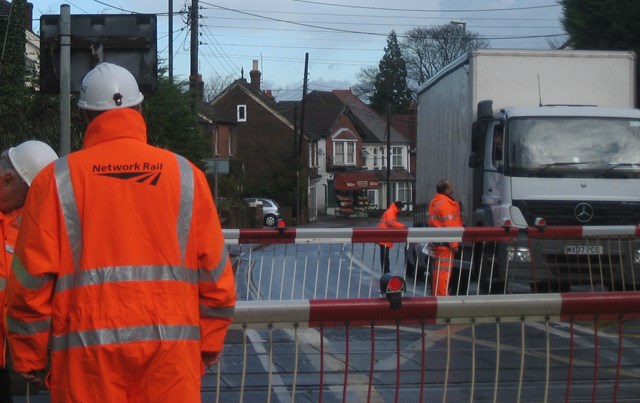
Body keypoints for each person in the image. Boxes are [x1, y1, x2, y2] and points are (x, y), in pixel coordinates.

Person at [6, 62, 237, 402]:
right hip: (170, 360)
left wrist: (30, 357)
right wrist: (208, 343)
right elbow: (217, 281)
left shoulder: (55, 182)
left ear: (84, 115)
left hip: (85, 363)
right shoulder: (186, 176)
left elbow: (30, 284)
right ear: (140, 110)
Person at [0, 140, 58, 402]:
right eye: (27, 196)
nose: (28, 204)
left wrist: (28, 350)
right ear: (7, 180)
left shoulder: (19, 223)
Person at [428, 179, 464, 296]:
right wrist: (454, 244)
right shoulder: (444, 204)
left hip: (439, 242)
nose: (453, 187)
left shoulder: (435, 201)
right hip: (446, 244)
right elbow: (450, 225)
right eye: (451, 186)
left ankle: (437, 296)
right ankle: (442, 298)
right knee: (444, 272)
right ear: (446, 190)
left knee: (438, 271)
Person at [377, 201, 405, 274]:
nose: (401, 211)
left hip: (383, 236)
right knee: (385, 256)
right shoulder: (391, 212)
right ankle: (386, 271)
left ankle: (385, 270)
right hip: (385, 236)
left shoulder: (391, 211)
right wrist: (402, 226)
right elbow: (391, 222)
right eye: (401, 209)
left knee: (384, 255)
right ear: (398, 208)